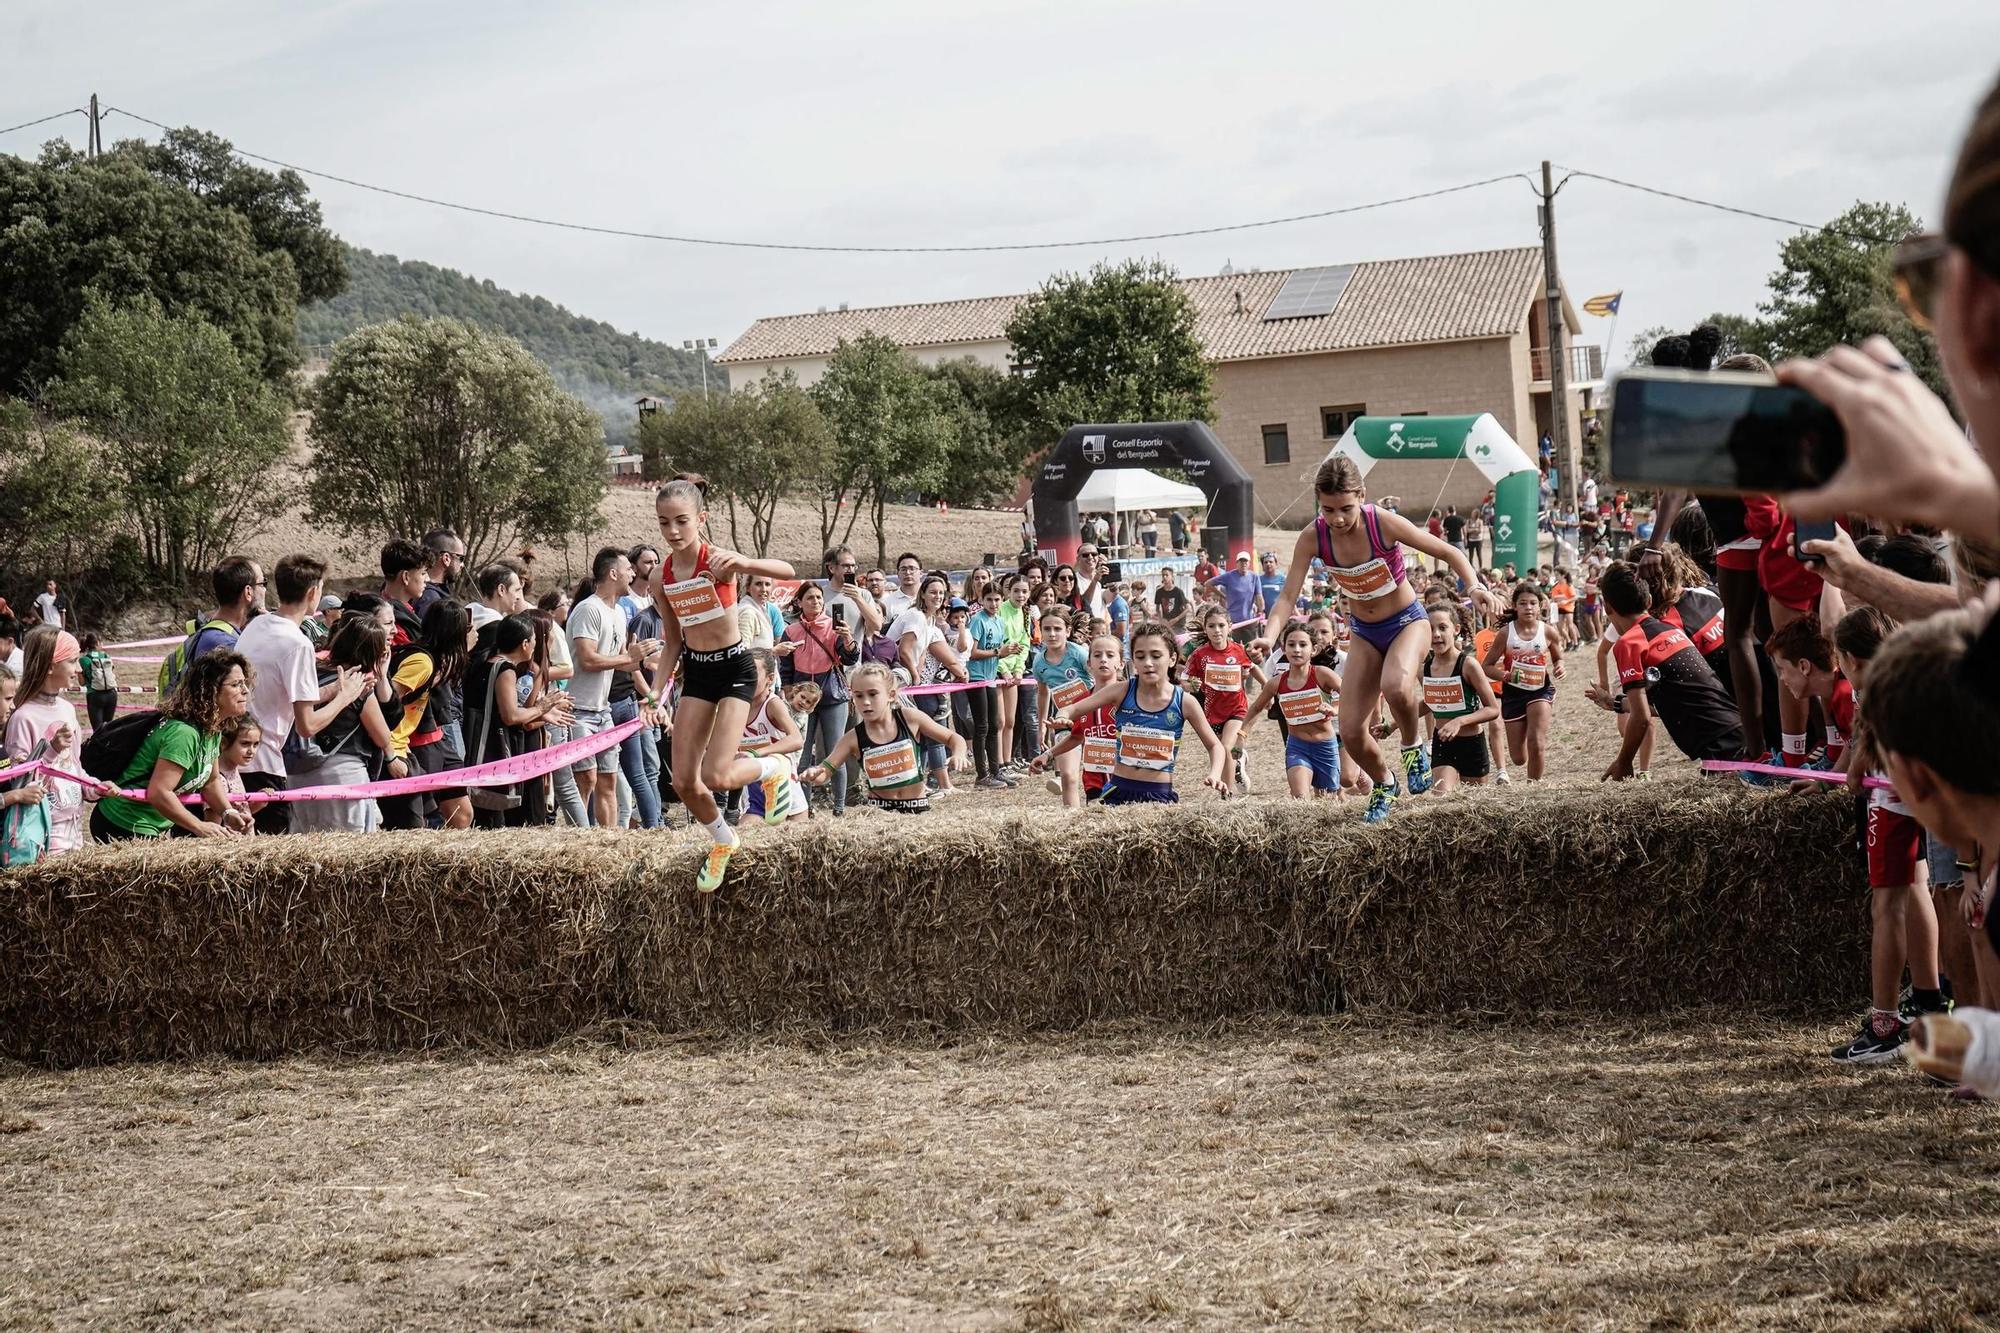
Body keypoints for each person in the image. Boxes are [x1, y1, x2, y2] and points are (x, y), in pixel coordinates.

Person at [1254, 455, 1494, 823]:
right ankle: (1384, 781)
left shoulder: (1382, 523)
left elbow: (1447, 551)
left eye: (1346, 508)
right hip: (1365, 633)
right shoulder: (1312, 537)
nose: (1337, 518)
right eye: (1328, 509)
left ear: (1362, 496)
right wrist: (1269, 637)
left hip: (1408, 622)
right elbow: (1288, 596)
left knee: (1397, 686)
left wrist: (1475, 585)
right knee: (1350, 731)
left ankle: (1414, 747)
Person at [649, 475, 800, 890]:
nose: (673, 531)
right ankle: (723, 839)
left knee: (717, 775)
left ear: (701, 518)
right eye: (664, 523)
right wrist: (655, 691)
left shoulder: (716, 560)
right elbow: (673, 640)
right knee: (682, 781)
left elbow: (788, 571)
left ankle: (774, 767)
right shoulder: (661, 577)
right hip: (697, 672)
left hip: (735, 668)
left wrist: (743, 562)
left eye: (681, 521)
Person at [241, 554, 373, 835]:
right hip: (265, 762)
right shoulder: (298, 643)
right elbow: (307, 724)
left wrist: (335, 688)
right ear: (314, 593)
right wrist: (345, 698)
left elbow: (281, 693)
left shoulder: (255, 627)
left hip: (240, 757)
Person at [1593, 563, 1745, 776]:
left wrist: (1624, 761)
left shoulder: (1630, 643)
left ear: (1607, 607)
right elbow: (1675, 703)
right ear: (1648, 601)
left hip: (1720, 745)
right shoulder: (1669, 628)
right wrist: (1615, 703)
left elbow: (1641, 717)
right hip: (1736, 731)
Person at [1051, 622, 1227, 805]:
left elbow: (1215, 746)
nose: (1148, 663)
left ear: (1172, 659)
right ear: (1133, 661)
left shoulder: (1184, 701)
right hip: (1118, 792)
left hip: (1159, 796)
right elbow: (1073, 708)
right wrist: (1062, 716)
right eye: (1140, 656)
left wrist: (1215, 774)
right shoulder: (1121, 691)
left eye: (1156, 655)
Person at [92, 651, 257, 841]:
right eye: (236, 684)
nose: (245, 690)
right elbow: (159, 792)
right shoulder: (185, 734)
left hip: (150, 824)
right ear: (211, 690)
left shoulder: (212, 728)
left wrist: (228, 812)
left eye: (244, 683)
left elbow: (211, 782)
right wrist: (199, 826)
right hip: (123, 822)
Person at [567, 548, 661, 831]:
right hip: (579, 710)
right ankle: (578, 842)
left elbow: (624, 661)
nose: (633, 573)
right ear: (612, 573)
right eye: (628, 569)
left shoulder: (619, 612)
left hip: (603, 710)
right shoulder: (588, 609)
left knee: (608, 779)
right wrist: (631, 658)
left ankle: (608, 840)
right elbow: (588, 659)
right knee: (587, 780)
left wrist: (660, 671)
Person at [801, 662, 965, 814]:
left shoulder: (910, 719)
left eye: (873, 694)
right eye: (858, 696)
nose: (865, 702)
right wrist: (814, 773)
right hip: (880, 814)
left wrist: (958, 754)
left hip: (917, 810)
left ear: (891, 695)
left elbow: (953, 738)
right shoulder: (852, 738)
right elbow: (826, 769)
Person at [289, 616, 398, 834]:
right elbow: (383, 737)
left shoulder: (313, 670)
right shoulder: (357, 684)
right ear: (374, 652)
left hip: (298, 773)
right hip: (342, 776)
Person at [4, 627, 89, 854]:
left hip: (75, 825)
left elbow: (74, 765)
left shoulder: (68, 709)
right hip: (41, 830)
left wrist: (93, 787)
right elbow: (19, 781)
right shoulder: (23, 717)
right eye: (72, 661)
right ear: (50, 666)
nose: (78, 669)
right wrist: (51, 749)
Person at [1238, 621, 1342, 800]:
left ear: (1314, 649)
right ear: (1284, 649)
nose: (1296, 649)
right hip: (1297, 747)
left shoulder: (1323, 674)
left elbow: (1350, 696)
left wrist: (1333, 709)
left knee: (1326, 801)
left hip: (1325, 746)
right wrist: (1241, 736)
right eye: (1291, 645)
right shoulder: (1276, 683)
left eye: (1303, 645)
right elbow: (1255, 708)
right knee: (1300, 799)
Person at [784, 581, 859, 815]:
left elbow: (850, 659)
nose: (815, 602)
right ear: (799, 602)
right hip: (803, 699)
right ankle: (805, 808)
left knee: (836, 751)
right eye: (809, 598)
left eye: (818, 597)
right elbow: (785, 666)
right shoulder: (791, 630)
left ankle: (839, 806)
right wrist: (788, 690)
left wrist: (848, 639)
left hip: (833, 696)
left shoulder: (833, 628)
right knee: (802, 753)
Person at [1481, 583, 1564, 782]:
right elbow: (1487, 666)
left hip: (1540, 690)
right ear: (1515, 606)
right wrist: (1504, 676)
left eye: (1533, 603)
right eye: (1523, 603)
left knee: (1537, 742)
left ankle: (1533, 786)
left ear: (1540, 606)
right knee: (1518, 758)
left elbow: (1558, 657)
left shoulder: (1548, 632)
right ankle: (1526, 739)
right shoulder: (1505, 633)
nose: (1528, 607)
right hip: (1513, 693)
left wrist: (1560, 666)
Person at [1419, 605, 1501, 792]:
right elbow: (1431, 702)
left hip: (1471, 744)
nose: (1436, 634)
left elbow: (1492, 709)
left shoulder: (1468, 665)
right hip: (1443, 744)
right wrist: (1392, 725)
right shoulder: (1426, 668)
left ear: (1456, 629)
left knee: (1474, 806)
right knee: (1440, 798)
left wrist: (1459, 721)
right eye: (1430, 629)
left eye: (1442, 627)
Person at [1186, 605, 1263, 794]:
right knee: (1220, 752)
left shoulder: (1238, 650)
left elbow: (1253, 667)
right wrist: (1191, 686)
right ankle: (1239, 763)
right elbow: (1185, 681)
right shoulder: (1199, 655)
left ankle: (1227, 795)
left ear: (1230, 627)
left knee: (1225, 748)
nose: (1217, 630)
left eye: (1221, 625)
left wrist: (1267, 686)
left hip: (1237, 710)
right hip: (1212, 712)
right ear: (1205, 629)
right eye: (1211, 626)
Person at [159, 555, 262, 693]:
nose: (265, 590)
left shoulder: (213, 631)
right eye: (262, 584)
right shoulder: (226, 644)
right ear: (248, 592)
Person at [735, 648, 809, 823]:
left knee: (797, 845)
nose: (746, 678)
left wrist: (756, 753)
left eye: (752, 673)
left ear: (770, 679)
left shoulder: (773, 704)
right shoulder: (736, 705)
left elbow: (796, 739)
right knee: (745, 841)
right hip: (754, 792)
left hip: (784, 786)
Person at [1026, 606, 1091, 804]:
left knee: (1098, 772)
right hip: (1064, 722)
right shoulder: (1038, 662)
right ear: (1040, 631)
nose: (1052, 634)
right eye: (1047, 629)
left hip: (1093, 718)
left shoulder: (1079, 654)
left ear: (1068, 631)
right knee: (1068, 776)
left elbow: (1101, 681)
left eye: (1057, 629)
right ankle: (1072, 822)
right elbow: (1043, 693)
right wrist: (1041, 728)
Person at [964, 582, 1018, 789]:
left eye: (997, 599)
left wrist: (1010, 650)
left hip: (991, 677)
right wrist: (998, 653)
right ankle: (982, 775)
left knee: (994, 725)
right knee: (982, 726)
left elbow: (1001, 648)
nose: (994, 603)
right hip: (977, 677)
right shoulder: (978, 620)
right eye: (989, 599)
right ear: (982, 600)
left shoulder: (999, 621)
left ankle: (996, 771)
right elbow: (973, 652)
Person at [413, 528, 466, 617]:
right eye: (461, 558)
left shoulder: (421, 593)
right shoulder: (431, 601)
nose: (462, 565)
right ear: (446, 559)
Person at [1207, 552, 1261, 637]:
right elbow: (1208, 583)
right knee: (1234, 647)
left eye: (1245, 561)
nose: (1243, 564)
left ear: (1249, 563)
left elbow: (1259, 595)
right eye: (1241, 561)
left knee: (1250, 647)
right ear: (1237, 563)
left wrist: (1261, 611)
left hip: (1249, 620)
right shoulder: (1229, 576)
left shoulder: (1254, 577)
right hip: (1233, 620)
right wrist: (1222, 595)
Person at [215, 714, 260, 809]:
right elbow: (215, 822)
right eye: (245, 743)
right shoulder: (218, 780)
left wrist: (257, 804)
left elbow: (239, 813)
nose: (251, 751)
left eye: (255, 744)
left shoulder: (233, 771)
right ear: (223, 743)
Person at [470, 560, 527, 629]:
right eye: (516, 590)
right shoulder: (497, 628)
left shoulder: (468, 615)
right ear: (501, 590)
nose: (518, 597)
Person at [77, 632, 118, 730]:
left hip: (95, 695)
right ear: (98, 643)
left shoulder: (83, 660)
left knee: (98, 730)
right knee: (108, 728)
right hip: (112, 694)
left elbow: (82, 683)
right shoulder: (106, 656)